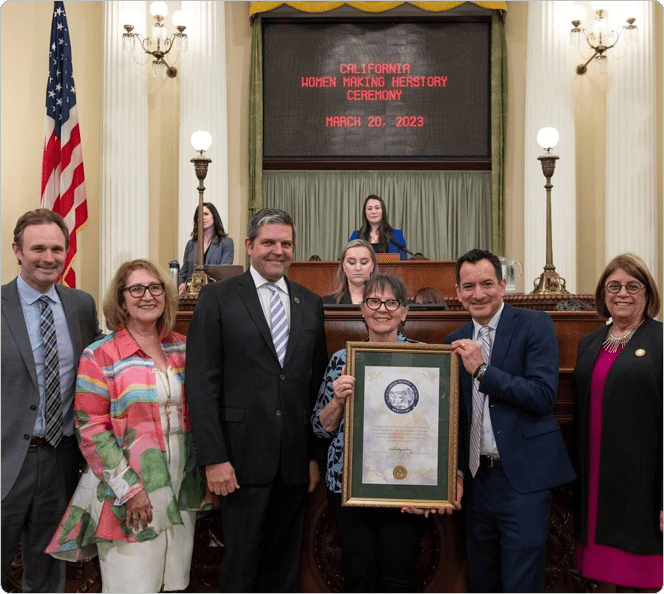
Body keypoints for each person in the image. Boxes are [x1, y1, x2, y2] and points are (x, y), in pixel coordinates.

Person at [45, 259, 213, 593]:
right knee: (132, 585)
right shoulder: (100, 355)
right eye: (136, 289)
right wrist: (130, 490)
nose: (147, 296)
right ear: (121, 299)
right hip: (129, 489)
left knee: (174, 582)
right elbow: (91, 429)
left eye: (155, 288)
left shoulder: (181, 346)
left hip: (182, 486)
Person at [185, 208, 328, 593]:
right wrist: (213, 458)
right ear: (249, 246)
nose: (277, 250)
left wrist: (313, 456)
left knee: (284, 568)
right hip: (238, 461)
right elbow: (201, 383)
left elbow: (316, 387)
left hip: (294, 464)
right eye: (268, 242)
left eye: (285, 243)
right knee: (241, 566)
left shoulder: (309, 303)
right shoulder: (217, 298)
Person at [444, 248, 575, 593]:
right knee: (481, 580)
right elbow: (454, 418)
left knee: (522, 582)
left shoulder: (535, 325)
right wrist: (454, 473)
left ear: (503, 285)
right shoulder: (453, 341)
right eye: (469, 286)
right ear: (458, 292)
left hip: (523, 480)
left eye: (487, 283)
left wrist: (483, 371)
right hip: (475, 482)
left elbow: (542, 396)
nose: (479, 294)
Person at [1, 209, 103, 593]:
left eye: (57, 249)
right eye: (38, 248)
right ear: (17, 250)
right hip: (6, 459)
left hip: (62, 459)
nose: (48, 258)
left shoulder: (81, 305)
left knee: (48, 575)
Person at [313, 274, 427, 592]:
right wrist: (337, 400)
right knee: (360, 573)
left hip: (406, 485)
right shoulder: (341, 361)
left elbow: (435, 426)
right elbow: (320, 429)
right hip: (351, 485)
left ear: (404, 311)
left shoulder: (427, 360)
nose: (382, 309)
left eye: (392, 302)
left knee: (398, 575)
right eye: (374, 301)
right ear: (362, 309)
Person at [572, 253, 662, 591]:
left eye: (632, 286)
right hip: (595, 482)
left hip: (642, 486)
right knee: (599, 578)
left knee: (635, 583)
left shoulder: (661, 342)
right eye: (614, 286)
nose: (622, 293)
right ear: (602, 293)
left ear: (648, 294)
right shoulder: (589, 343)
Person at [178, 202, 234, 294]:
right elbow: (184, 273)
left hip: (214, 293)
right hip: (190, 294)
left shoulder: (226, 242)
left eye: (206, 214)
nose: (203, 218)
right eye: (199, 215)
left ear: (214, 217)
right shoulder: (191, 244)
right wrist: (181, 284)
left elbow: (224, 273)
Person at [349, 194, 409, 260]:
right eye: (369, 208)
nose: (373, 212)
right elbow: (350, 260)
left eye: (377, 208)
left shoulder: (397, 235)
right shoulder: (355, 236)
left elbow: (404, 262)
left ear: (383, 211)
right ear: (365, 213)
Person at [322, 239, 378, 305]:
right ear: (343, 266)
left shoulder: (386, 302)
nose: (358, 268)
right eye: (351, 262)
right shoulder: (327, 302)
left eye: (364, 262)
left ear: (372, 266)